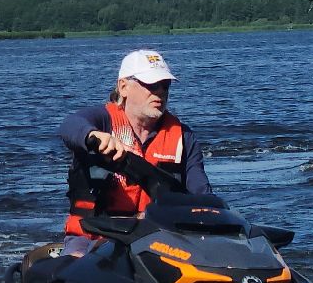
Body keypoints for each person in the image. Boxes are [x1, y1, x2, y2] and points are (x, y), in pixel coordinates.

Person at [55, 48, 213, 255]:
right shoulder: (101, 121)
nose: (160, 92)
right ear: (123, 87)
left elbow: (201, 194)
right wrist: (94, 136)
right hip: (93, 234)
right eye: (151, 85)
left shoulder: (184, 137)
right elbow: (70, 126)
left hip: (157, 236)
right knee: (77, 265)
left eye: (165, 86)